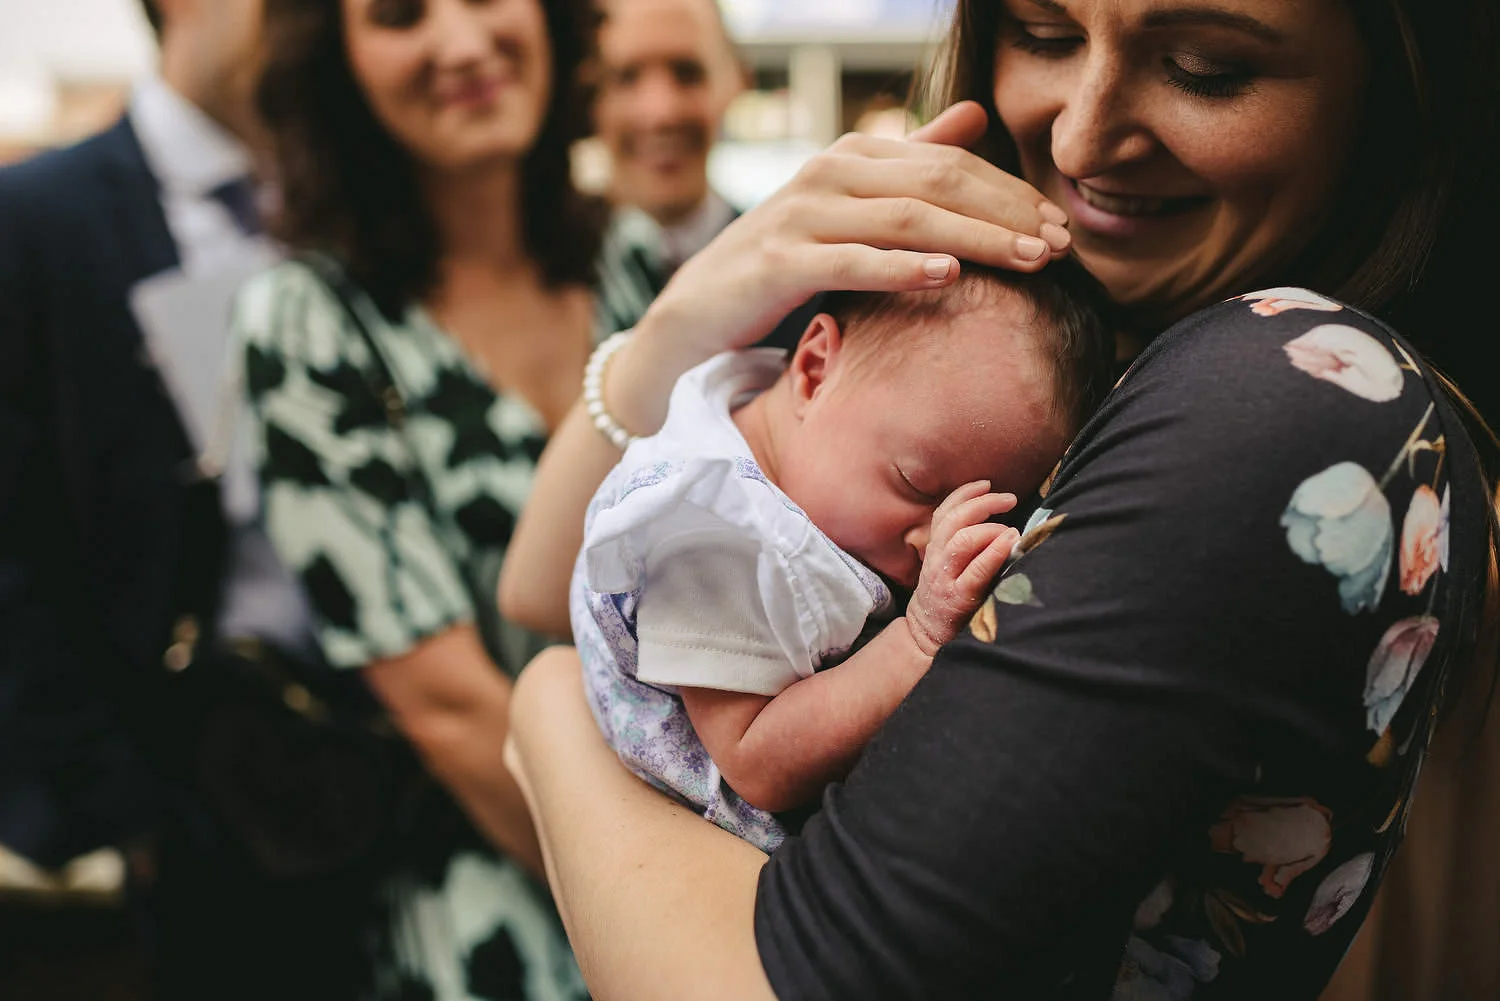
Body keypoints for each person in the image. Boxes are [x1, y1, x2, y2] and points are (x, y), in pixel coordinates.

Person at [498, 0, 1500, 997]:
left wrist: (553, 710)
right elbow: (540, 581)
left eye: (1204, 65)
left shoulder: (1283, 394)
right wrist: (693, 315)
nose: (1079, 132)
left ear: (1397, 89)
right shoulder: (973, 335)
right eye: (1045, 35)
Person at [234, 0, 604, 997]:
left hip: (730, 838)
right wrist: (666, 912)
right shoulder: (310, 321)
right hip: (506, 884)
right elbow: (447, 709)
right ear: (337, 66)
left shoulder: (637, 264)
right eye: (401, 13)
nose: (463, 41)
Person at [0, 1, 364, 998]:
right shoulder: (33, 216)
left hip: (363, 777)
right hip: (162, 811)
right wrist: (108, 813)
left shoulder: (356, 205)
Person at [573, 264, 1113, 852]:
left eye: (983, 516)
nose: (934, 543)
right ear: (812, 370)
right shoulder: (713, 529)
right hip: (715, 849)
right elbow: (754, 761)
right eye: (915, 483)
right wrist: (918, 639)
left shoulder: (779, 430)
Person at [592, 0, 747, 335]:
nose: (661, 112)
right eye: (626, 77)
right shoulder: (544, 284)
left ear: (736, 81)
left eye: (687, 72)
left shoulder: (795, 282)